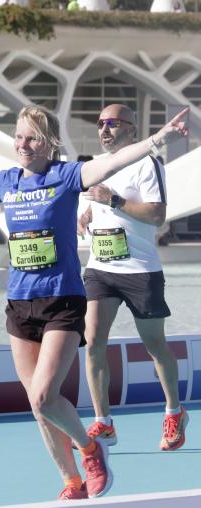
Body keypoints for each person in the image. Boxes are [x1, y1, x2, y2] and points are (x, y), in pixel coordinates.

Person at [0, 104, 188, 501]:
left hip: (62, 300)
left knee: (44, 394)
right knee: (38, 405)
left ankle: (90, 449)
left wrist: (157, 140)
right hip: (20, 304)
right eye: (20, 136)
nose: (23, 144)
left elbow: (112, 163)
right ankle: (72, 482)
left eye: (32, 138)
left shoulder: (67, 175)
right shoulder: (6, 181)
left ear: (49, 144)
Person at [78, 104, 188, 452]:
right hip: (100, 269)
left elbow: (156, 215)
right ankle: (104, 422)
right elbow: (101, 205)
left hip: (140, 271)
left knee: (155, 346)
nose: (104, 129)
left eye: (112, 123)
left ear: (131, 127)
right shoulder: (98, 166)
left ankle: (174, 412)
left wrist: (113, 199)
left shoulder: (147, 162)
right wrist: (88, 213)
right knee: (93, 341)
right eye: (100, 123)